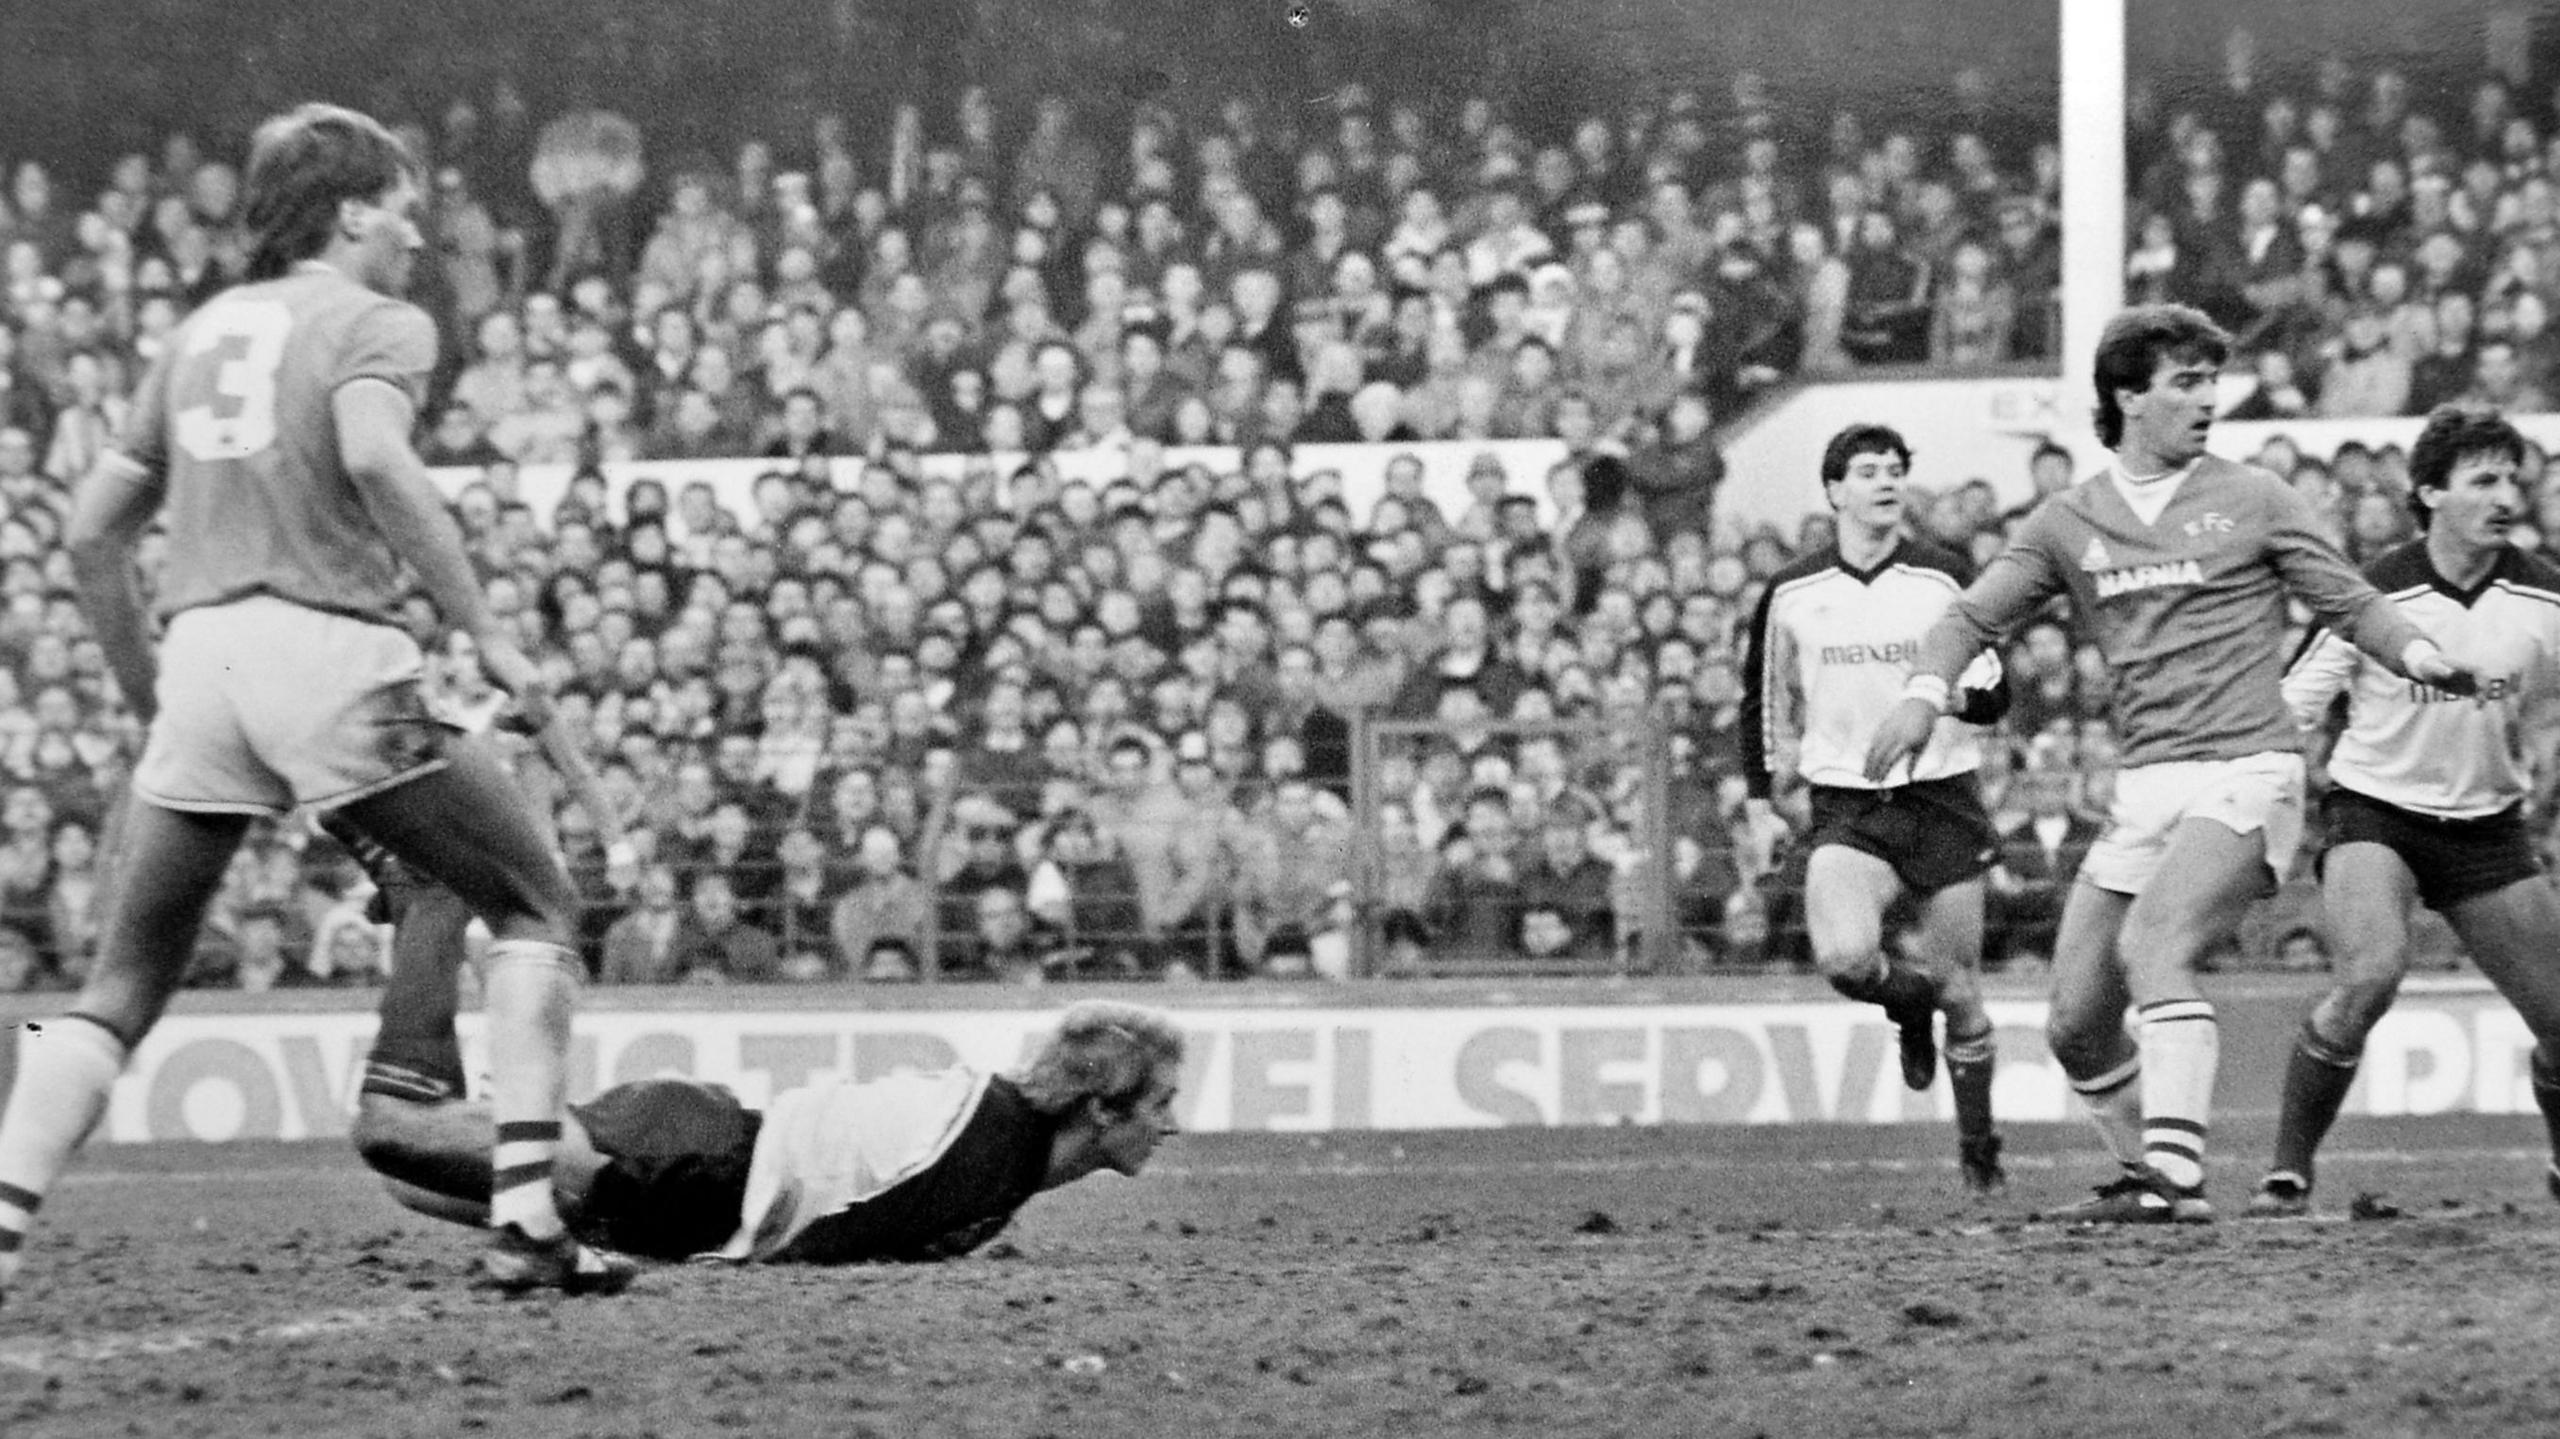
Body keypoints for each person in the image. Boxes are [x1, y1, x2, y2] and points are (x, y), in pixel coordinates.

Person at [0, 104, 632, 1300]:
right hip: (331, 653)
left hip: (200, 661)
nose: (411, 228)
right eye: (400, 203)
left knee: (119, 987)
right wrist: (486, 628)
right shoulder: (376, 320)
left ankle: (0, 1222)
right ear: (352, 209)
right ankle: (529, 1217)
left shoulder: (197, 334)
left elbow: (90, 535)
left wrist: (154, 696)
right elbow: (380, 458)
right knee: (539, 900)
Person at [1864, 303, 2481, 1223]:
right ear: (2128, 396)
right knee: (2074, 1020)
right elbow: (1967, 617)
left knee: (2157, 947)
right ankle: (2147, 1164)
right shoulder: (2073, 520)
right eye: (2185, 382)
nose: (2207, 400)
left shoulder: (2258, 495)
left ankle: (2177, 1179)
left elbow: (2350, 602)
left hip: (2248, 766)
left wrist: (2419, 652)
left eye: (2209, 380)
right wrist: (1921, 695)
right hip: (2145, 789)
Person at [352, 953, 1183, 1263]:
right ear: (1104, 1109)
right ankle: (431, 911)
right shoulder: (994, 1144)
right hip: (701, 1162)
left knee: (414, 1181)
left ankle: (432, 918)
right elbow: (856, 1220)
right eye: (1162, 1101)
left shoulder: (1011, 1152)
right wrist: (746, 1250)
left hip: (702, 1178)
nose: (1173, 1123)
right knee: (396, 1139)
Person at [2251, 404, 2560, 1216]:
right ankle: (2286, 1173)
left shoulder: (2544, 597)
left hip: (2489, 826)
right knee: (2372, 974)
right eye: (2482, 478)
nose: (2505, 494)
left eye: (2511, 478)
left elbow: (2552, 712)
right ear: (2430, 490)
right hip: (2376, 812)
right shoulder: (2377, 590)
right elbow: (2297, 703)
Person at [1741, 423, 2011, 1194]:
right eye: (1868, 471)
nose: (1886, 482)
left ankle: (1979, 1149)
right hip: (1850, 806)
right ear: (1834, 491)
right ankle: (1907, 1001)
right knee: (1845, 959)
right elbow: (1761, 703)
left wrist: (1939, 699)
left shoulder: (1942, 577)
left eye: (1896, 469)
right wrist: (1763, 800)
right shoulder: (1793, 592)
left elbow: (1997, 690)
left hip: (1943, 799)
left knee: (1964, 988)